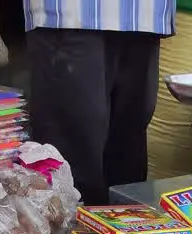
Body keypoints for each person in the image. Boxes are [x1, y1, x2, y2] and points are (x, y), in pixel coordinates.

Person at [24, 0, 176, 205]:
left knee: (127, 162)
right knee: (72, 164)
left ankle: (123, 232)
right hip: (71, 14)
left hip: (145, 17)